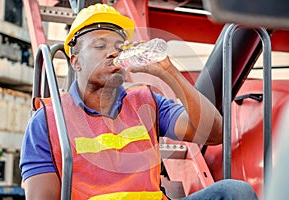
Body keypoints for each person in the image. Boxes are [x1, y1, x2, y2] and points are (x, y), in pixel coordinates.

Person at [19, 3, 258, 200]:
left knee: (236, 192)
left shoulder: (147, 102)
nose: (113, 53)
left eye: (119, 47)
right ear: (76, 61)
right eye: (100, 45)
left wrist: (169, 73)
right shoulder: (49, 120)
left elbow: (214, 133)